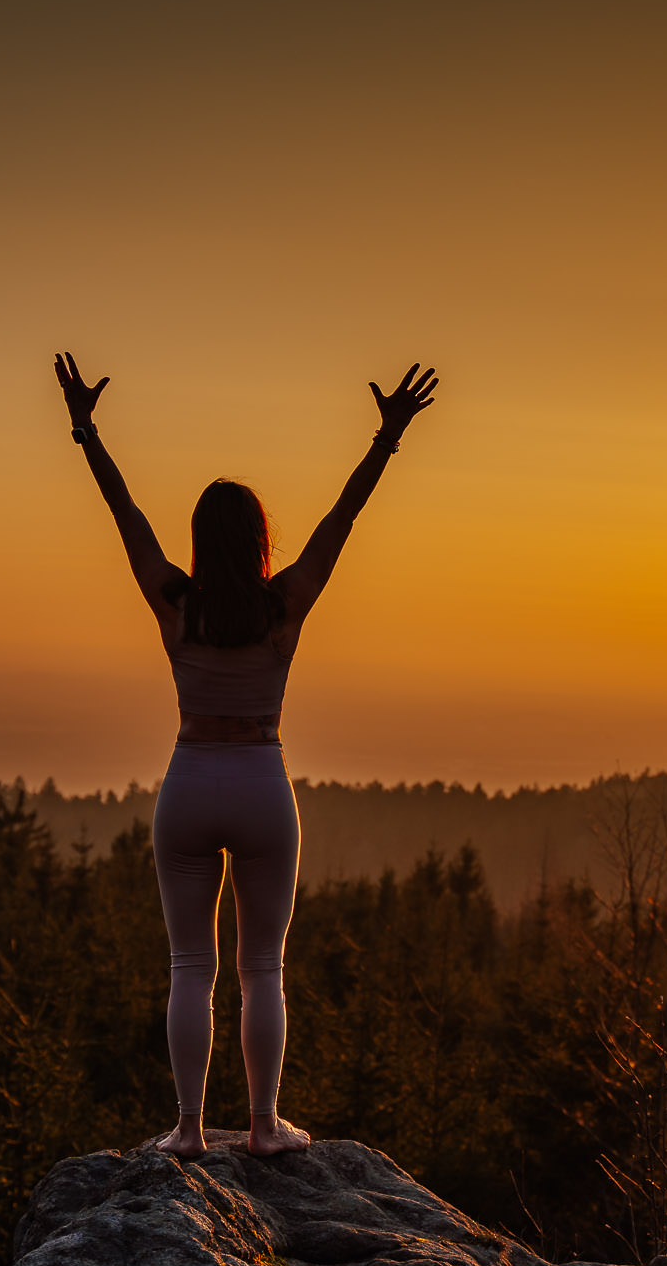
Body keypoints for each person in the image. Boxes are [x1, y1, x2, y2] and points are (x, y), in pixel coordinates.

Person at [52, 351, 439, 1156]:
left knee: (190, 964)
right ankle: (264, 1128)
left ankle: (189, 1131)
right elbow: (343, 519)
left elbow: (125, 514)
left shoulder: (174, 602)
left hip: (190, 779)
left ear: (200, 539)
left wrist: (87, 431)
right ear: (261, 540)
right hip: (262, 780)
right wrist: (385, 439)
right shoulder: (284, 605)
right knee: (264, 969)